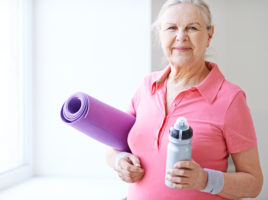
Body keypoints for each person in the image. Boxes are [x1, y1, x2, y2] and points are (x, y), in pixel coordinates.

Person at [106, 0, 263, 199]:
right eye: (171, 27)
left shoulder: (230, 99)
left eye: (192, 28)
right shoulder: (147, 86)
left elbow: (253, 183)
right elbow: (112, 150)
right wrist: (120, 161)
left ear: (209, 35)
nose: (181, 37)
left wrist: (204, 180)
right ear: (160, 34)